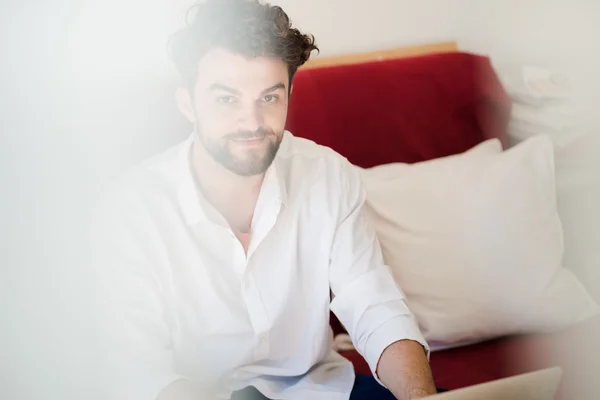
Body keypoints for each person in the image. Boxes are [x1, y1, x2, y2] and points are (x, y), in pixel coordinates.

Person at [91, 0, 437, 399]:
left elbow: (374, 305)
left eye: (269, 98)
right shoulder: (132, 209)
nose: (252, 122)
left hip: (320, 390)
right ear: (187, 103)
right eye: (227, 99)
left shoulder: (328, 175)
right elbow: (140, 370)